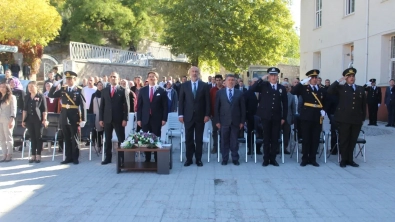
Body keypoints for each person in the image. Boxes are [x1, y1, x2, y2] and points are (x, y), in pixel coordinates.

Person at [327, 68, 366, 168]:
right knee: (344, 140)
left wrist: (363, 118)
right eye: (349, 77)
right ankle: (343, 159)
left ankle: (350, 159)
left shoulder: (360, 89)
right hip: (344, 119)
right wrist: (338, 81)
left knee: (353, 140)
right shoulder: (340, 88)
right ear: (346, 78)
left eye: (353, 76)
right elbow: (329, 90)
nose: (352, 78)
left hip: (356, 119)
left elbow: (363, 104)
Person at [250, 67, 287, 167]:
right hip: (265, 117)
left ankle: (273, 159)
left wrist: (284, 117)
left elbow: (285, 103)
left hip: (277, 117)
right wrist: (261, 79)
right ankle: (266, 159)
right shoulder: (263, 85)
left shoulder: (281, 88)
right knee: (266, 139)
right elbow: (252, 88)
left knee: (275, 139)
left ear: (277, 77)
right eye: (271, 75)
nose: (273, 77)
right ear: (269, 77)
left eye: (275, 75)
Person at [49, 71, 87, 165]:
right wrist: (54, 86)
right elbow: (51, 95)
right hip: (64, 115)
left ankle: (75, 157)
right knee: (66, 137)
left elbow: (83, 105)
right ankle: (68, 157)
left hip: (74, 116)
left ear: (74, 79)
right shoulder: (63, 89)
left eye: (70, 79)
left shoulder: (79, 89)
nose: (68, 80)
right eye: (67, 79)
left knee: (75, 137)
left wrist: (84, 119)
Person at [291, 69, 325, 167]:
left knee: (315, 139)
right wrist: (301, 82)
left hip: (317, 117)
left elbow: (326, 101)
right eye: (312, 78)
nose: (314, 79)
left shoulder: (321, 89)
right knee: (306, 139)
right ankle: (305, 158)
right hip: (306, 116)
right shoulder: (304, 88)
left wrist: (324, 110)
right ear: (309, 79)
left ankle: (313, 159)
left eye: (316, 77)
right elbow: (293, 91)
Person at [178, 66, 210, 167]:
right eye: (193, 71)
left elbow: (207, 102)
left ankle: (198, 159)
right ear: (189, 73)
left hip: (200, 117)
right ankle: (189, 159)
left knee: (199, 139)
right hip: (188, 116)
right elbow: (181, 102)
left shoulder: (204, 85)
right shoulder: (184, 85)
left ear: (199, 73)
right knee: (189, 139)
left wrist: (207, 114)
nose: (194, 73)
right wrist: (180, 114)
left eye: (196, 71)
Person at [214, 74, 245, 166]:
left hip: (236, 121)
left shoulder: (239, 93)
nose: (231, 81)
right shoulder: (220, 93)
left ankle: (235, 158)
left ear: (235, 82)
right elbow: (217, 108)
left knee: (234, 141)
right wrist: (217, 121)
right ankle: (225, 158)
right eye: (229, 80)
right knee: (224, 141)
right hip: (224, 121)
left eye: (232, 80)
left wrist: (242, 121)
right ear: (225, 82)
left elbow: (243, 108)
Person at [136, 71, 168, 162]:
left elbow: (165, 107)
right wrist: (139, 119)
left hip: (157, 119)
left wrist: (164, 119)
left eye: (153, 76)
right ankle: (147, 158)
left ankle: (157, 158)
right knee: (146, 139)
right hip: (145, 119)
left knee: (156, 138)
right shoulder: (143, 90)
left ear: (157, 78)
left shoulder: (162, 91)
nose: (151, 78)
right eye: (150, 76)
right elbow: (139, 106)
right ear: (147, 78)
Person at [99, 72, 129, 165]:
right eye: (111, 77)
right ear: (109, 78)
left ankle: (122, 159)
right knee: (108, 139)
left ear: (118, 79)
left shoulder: (123, 90)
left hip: (119, 119)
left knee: (121, 139)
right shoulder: (104, 90)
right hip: (107, 119)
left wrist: (125, 119)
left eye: (115, 77)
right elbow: (102, 106)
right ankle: (108, 158)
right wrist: (101, 119)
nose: (113, 78)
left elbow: (127, 106)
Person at [22, 82, 48, 163]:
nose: (30, 88)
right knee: (32, 137)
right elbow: (25, 110)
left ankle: (38, 155)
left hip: (38, 119)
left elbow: (44, 110)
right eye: (29, 87)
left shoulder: (41, 96)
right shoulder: (27, 97)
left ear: (36, 87)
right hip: (29, 119)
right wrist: (23, 120)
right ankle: (33, 155)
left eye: (32, 86)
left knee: (38, 137)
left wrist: (44, 119)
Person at [244, 77, 262, 155]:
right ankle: (250, 149)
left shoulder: (263, 92)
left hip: (261, 117)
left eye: (257, 82)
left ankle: (258, 149)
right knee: (250, 133)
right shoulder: (247, 93)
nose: (256, 83)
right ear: (251, 83)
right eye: (254, 82)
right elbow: (244, 106)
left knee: (261, 133)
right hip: (250, 117)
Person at [0, 83, 17, 162]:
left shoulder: (12, 97)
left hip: (8, 119)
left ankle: (9, 154)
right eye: (0, 87)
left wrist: (12, 119)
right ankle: (4, 154)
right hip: (0, 120)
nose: (2, 88)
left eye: (3, 87)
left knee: (8, 137)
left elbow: (13, 109)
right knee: (1, 138)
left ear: (7, 88)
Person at [209, 75, 224, 154]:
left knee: (223, 131)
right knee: (215, 131)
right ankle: (215, 146)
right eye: (216, 80)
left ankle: (223, 146)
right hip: (214, 114)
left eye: (219, 80)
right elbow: (209, 102)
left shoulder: (225, 89)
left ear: (222, 80)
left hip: (224, 114)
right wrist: (210, 113)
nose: (218, 82)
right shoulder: (212, 90)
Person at [88, 81, 104, 153]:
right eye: (99, 85)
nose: (100, 86)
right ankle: (99, 146)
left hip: (104, 115)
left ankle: (104, 146)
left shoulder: (105, 94)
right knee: (98, 131)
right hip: (96, 115)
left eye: (101, 85)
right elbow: (91, 106)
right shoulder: (94, 95)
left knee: (104, 131)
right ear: (97, 86)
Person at [281, 82, 294, 154]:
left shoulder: (291, 96)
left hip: (288, 118)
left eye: (286, 87)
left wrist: (293, 118)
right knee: (277, 133)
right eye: (283, 86)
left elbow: (293, 108)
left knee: (286, 134)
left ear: (288, 88)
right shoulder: (278, 95)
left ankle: (285, 148)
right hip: (279, 117)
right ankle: (276, 148)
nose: (285, 88)